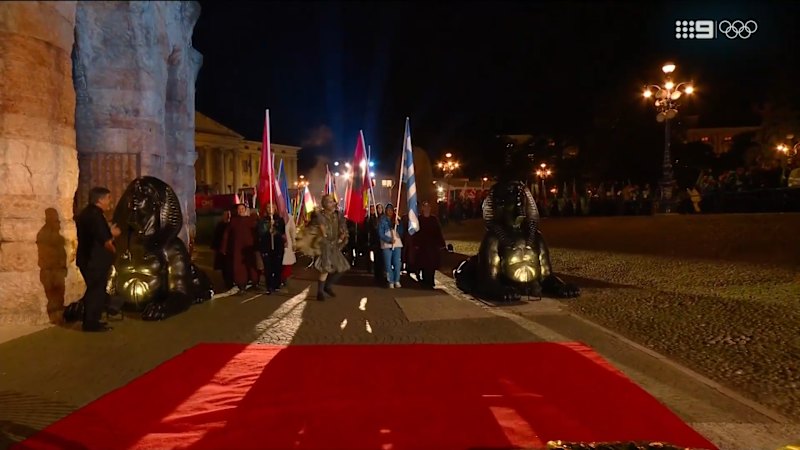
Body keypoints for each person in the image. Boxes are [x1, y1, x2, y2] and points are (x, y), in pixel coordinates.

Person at [75, 186, 121, 332]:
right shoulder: (96, 215)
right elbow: (105, 241)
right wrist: (115, 248)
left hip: (86, 258)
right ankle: (91, 323)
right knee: (96, 291)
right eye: (108, 198)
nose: (110, 201)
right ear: (100, 200)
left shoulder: (86, 213)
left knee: (95, 290)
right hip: (95, 260)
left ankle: (93, 319)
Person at [308, 194, 350, 301]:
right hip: (324, 245)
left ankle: (327, 286)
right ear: (324, 204)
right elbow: (314, 228)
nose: (332, 204)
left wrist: (343, 235)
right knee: (325, 269)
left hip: (334, 245)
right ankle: (320, 292)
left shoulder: (338, 215)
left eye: (333, 202)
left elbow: (343, 227)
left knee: (342, 267)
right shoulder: (320, 216)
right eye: (330, 202)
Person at [407, 200, 447, 288]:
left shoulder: (434, 219)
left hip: (432, 246)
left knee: (432, 265)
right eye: (425, 206)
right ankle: (425, 280)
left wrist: (441, 244)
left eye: (428, 207)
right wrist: (415, 244)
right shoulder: (419, 219)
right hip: (422, 246)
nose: (426, 208)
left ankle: (431, 280)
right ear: (422, 208)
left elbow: (438, 232)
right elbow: (416, 233)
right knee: (423, 264)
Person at [221, 203, 259, 293]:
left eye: (242, 209)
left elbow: (256, 233)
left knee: (252, 265)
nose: (241, 210)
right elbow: (227, 235)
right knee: (239, 267)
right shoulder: (233, 221)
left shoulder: (251, 220)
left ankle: (254, 282)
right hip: (237, 248)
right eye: (239, 209)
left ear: (245, 210)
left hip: (249, 247)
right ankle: (241, 285)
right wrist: (224, 247)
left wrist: (258, 245)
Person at [256, 203, 285, 294]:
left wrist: (275, 229)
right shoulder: (262, 220)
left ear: (275, 208)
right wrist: (268, 229)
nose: (270, 209)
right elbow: (260, 232)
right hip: (266, 246)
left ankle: (277, 284)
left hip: (277, 246)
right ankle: (269, 286)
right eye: (268, 207)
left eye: (272, 207)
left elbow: (282, 232)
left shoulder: (279, 220)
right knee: (268, 267)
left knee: (277, 266)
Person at [378, 203, 404, 288]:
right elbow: (380, 233)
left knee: (397, 263)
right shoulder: (382, 220)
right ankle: (390, 281)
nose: (390, 211)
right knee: (388, 264)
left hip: (397, 244)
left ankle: (397, 280)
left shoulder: (396, 219)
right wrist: (389, 240)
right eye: (388, 210)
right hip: (386, 245)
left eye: (391, 210)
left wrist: (398, 225)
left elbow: (401, 232)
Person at [212, 210, 232, 290]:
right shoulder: (220, 225)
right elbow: (216, 237)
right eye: (226, 214)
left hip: (230, 249)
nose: (227, 216)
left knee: (229, 266)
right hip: (221, 249)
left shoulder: (232, 224)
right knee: (224, 267)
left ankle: (230, 281)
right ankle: (227, 282)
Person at [281, 214, 297, 290]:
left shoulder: (289, 217)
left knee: (287, 263)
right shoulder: (274, 217)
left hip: (287, 243)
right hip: (277, 243)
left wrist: (294, 242)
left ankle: (285, 279)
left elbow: (292, 231)